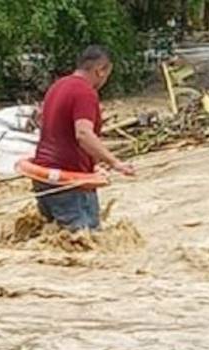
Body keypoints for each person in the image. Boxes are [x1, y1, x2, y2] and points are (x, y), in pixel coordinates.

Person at [31, 45, 136, 231]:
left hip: (44, 180)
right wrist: (115, 162)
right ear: (101, 70)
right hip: (70, 185)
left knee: (55, 240)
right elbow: (84, 134)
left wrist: (92, 163)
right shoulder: (85, 92)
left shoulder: (57, 86)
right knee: (86, 243)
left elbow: (47, 125)